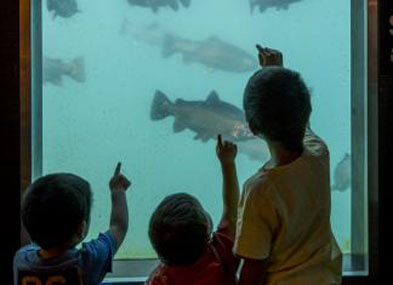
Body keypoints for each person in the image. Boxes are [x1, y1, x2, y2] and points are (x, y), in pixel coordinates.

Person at [235, 46, 343, 285]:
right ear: (307, 111)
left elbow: (253, 267)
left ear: (252, 128)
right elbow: (303, 126)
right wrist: (277, 71)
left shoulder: (259, 191)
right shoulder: (319, 154)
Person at [14, 162, 131, 285]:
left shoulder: (21, 260)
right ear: (81, 229)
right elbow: (118, 227)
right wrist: (118, 191)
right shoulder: (88, 262)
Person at [147, 135, 240, 285]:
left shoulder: (159, 280)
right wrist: (228, 163)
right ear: (207, 233)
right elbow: (232, 212)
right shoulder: (220, 256)